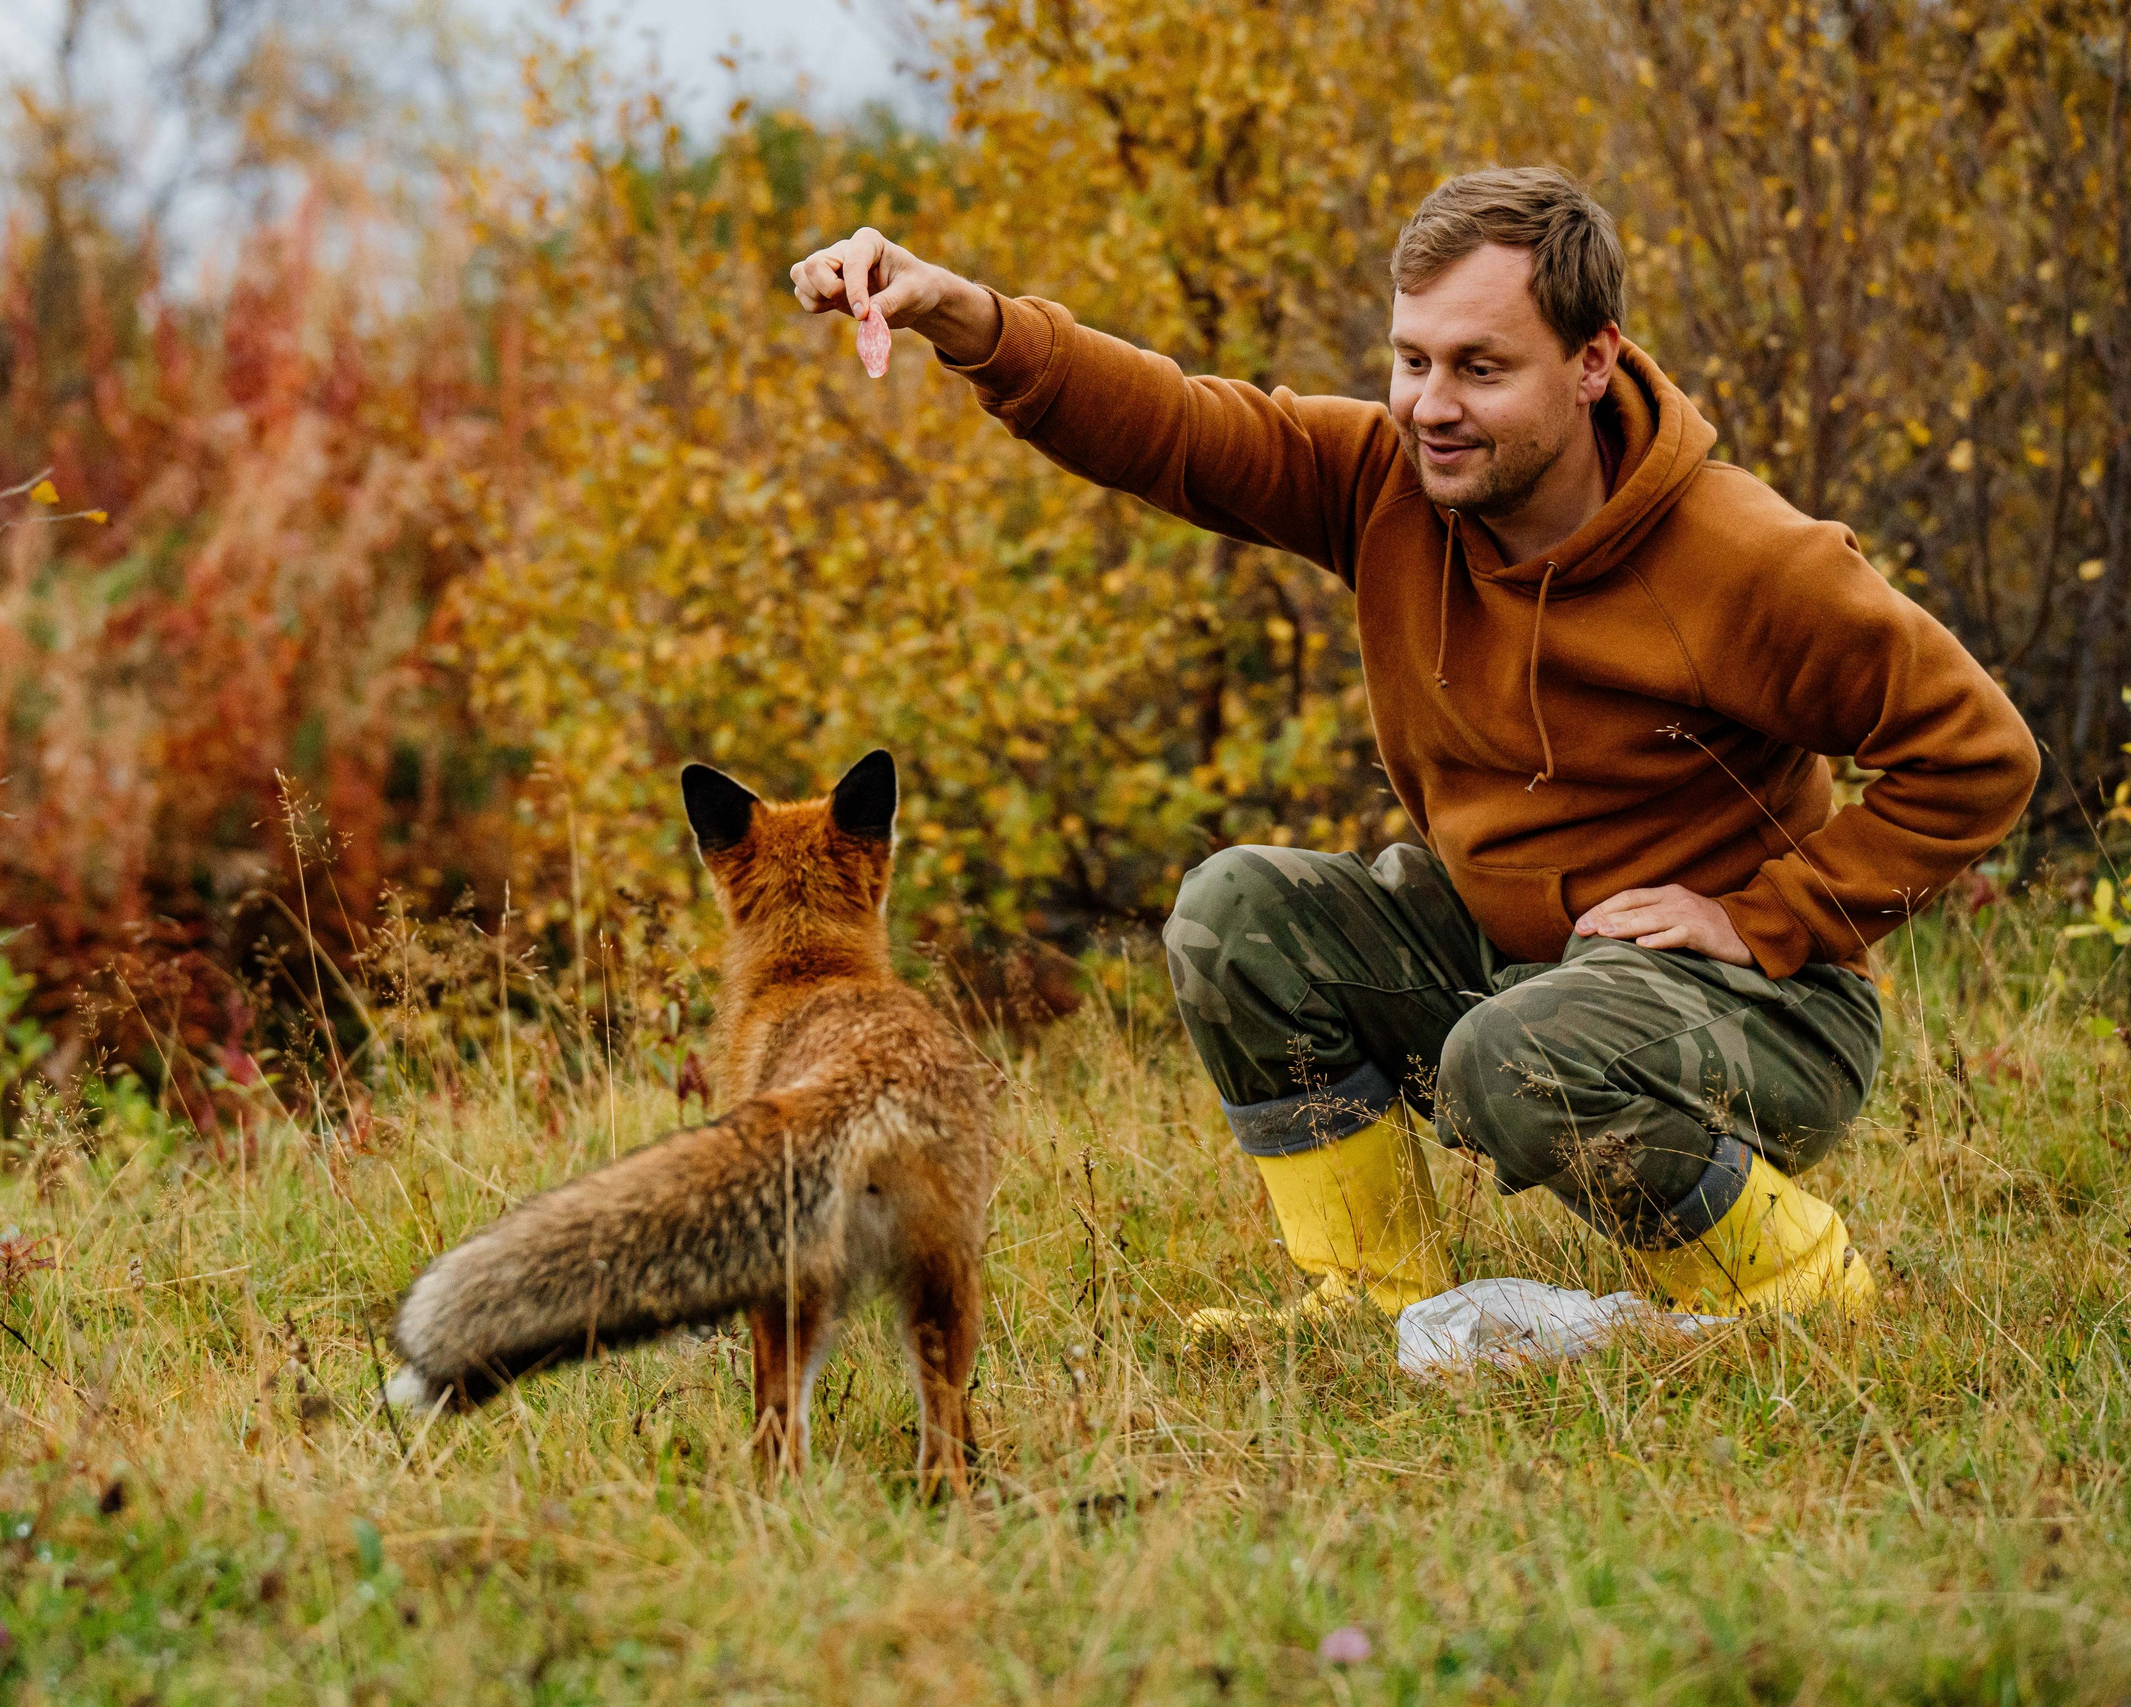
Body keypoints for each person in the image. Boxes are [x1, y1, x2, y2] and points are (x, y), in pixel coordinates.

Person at [788, 167, 2039, 1322]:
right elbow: (1173, 428)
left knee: (1515, 1055)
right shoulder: (1390, 482)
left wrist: (1767, 914)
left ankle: (1799, 1295)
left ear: (1592, 360)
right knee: (1235, 911)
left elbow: (1981, 755)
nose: (1431, 407)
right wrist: (967, 319)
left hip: (1765, 1008)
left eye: (1481, 369)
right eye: (1411, 360)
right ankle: (1373, 1293)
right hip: (1521, 961)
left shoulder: (1749, 560)